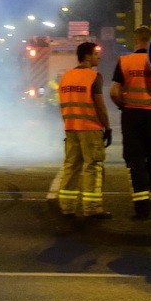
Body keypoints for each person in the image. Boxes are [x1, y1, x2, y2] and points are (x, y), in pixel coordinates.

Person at [110, 26, 151, 220]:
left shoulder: (124, 61)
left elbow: (113, 92)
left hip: (131, 115)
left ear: (135, 41)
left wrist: (123, 106)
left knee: (136, 162)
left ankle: (142, 210)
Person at [56, 42, 113, 220]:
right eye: (96, 54)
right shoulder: (93, 76)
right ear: (87, 56)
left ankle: (67, 208)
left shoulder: (65, 77)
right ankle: (92, 208)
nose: (99, 57)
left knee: (71, 167)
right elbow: (100, 106)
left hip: (71, 128)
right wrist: (108, 127)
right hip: (90, 128)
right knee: (93, 166)